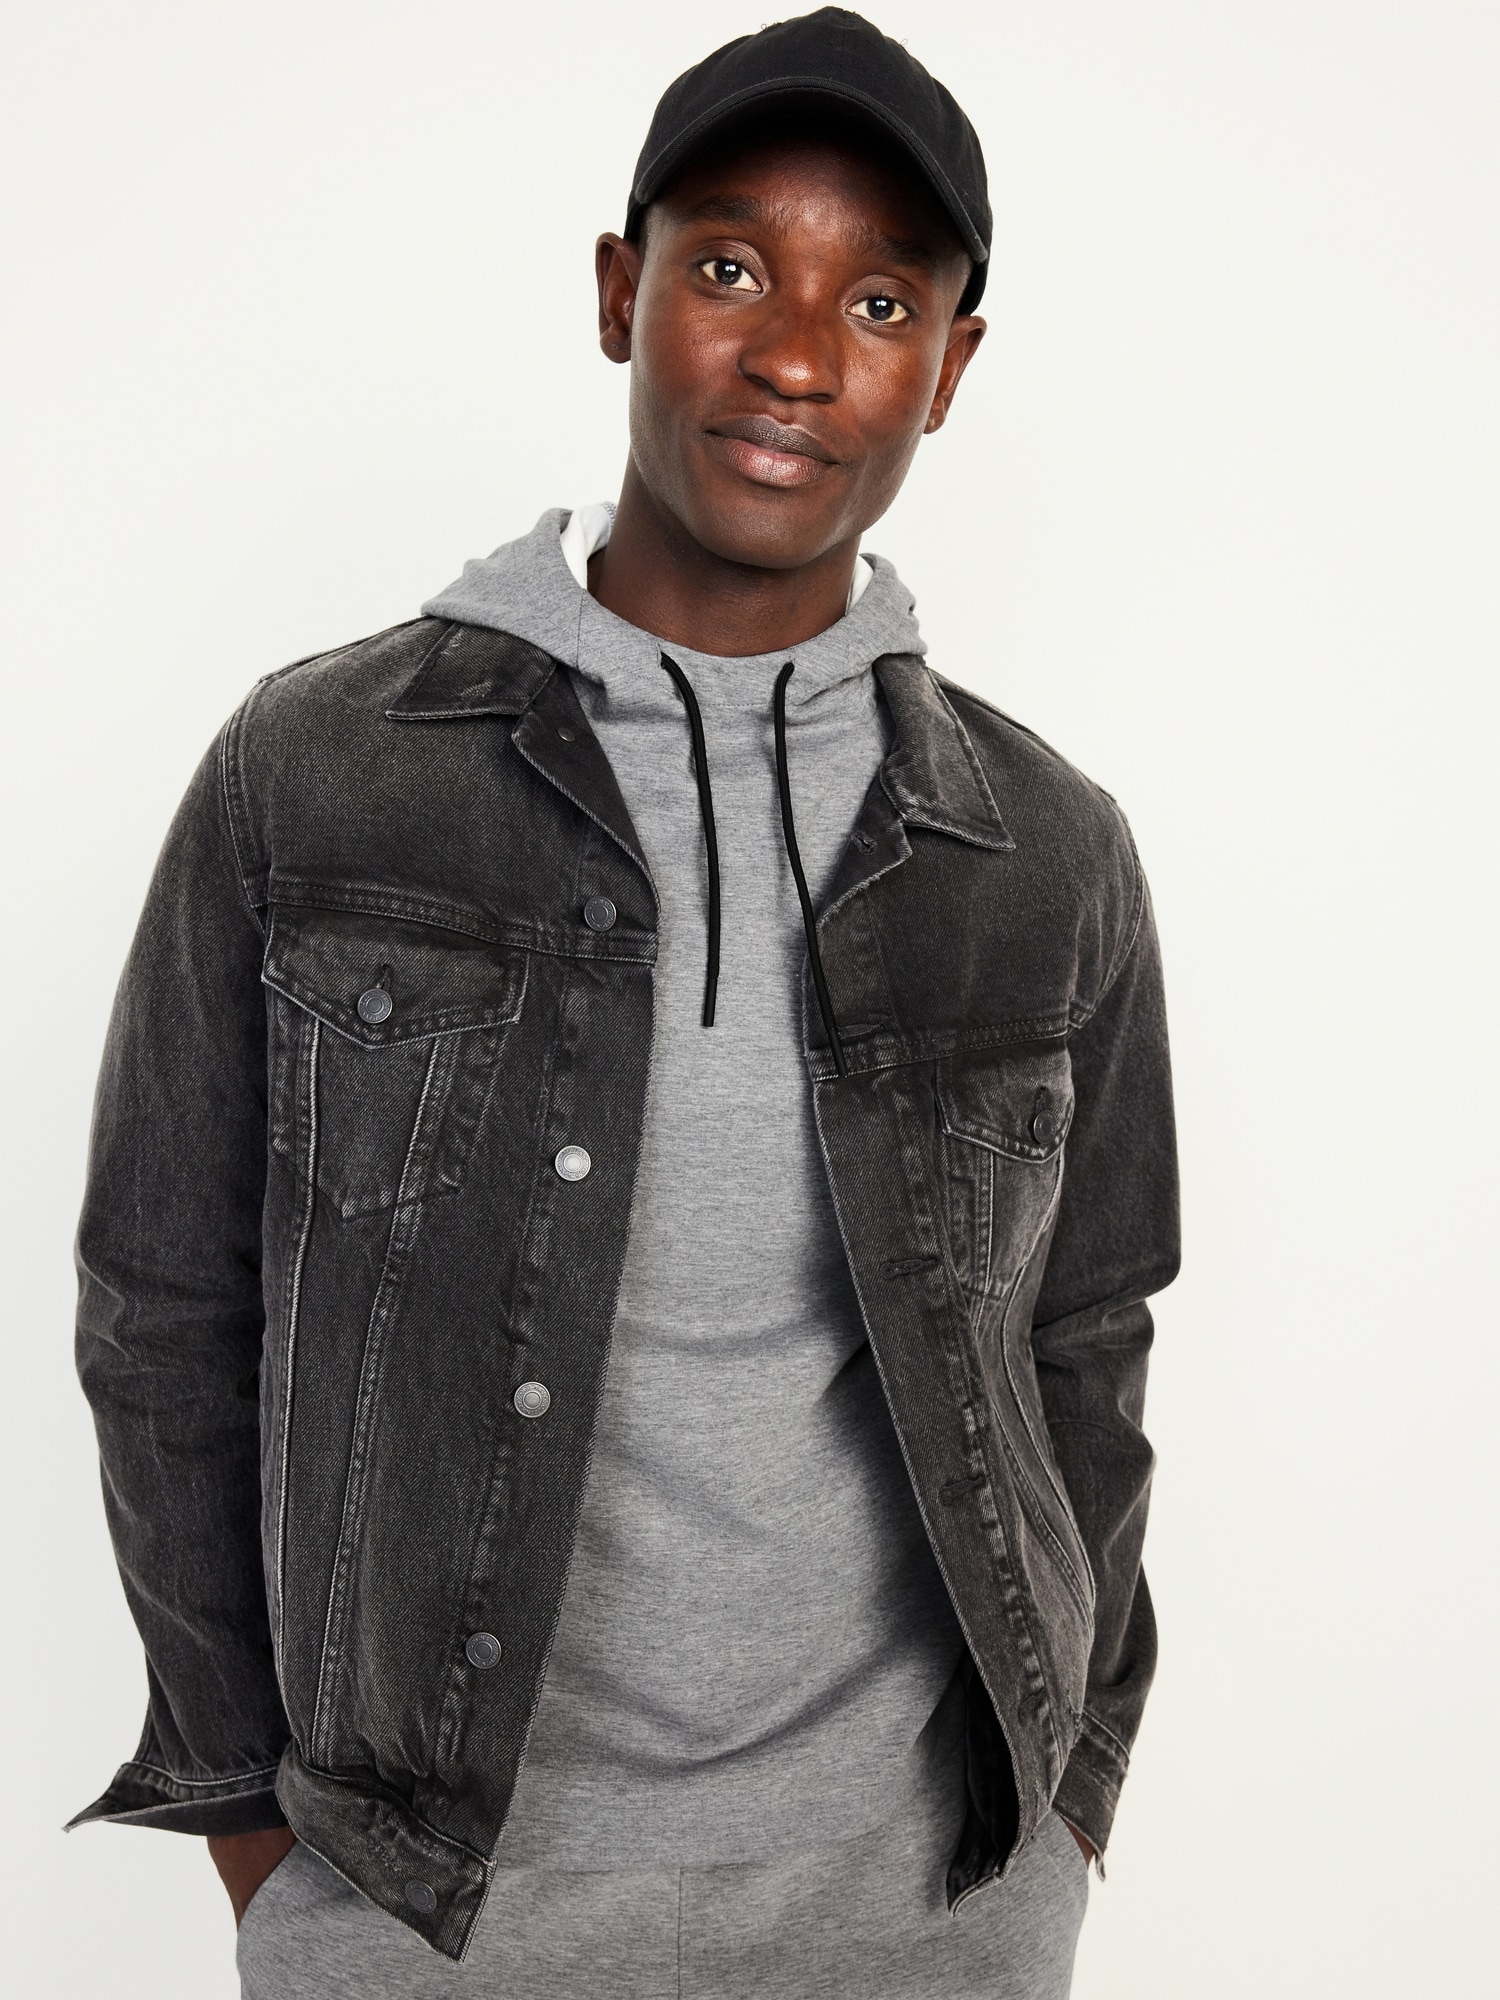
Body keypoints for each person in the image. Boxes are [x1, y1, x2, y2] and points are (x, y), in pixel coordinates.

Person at [70, 11, 1179, 1996]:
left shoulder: (1046, 851)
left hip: (928, 1902)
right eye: (732, 266)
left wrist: (1073, 1793)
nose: (797, 354)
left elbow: (1088, 1342)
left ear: (948, 370)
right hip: (428, 1903)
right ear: (620, 293)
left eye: (882, 301)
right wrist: (259, 1831)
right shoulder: (317, 777)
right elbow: (164, 1314)